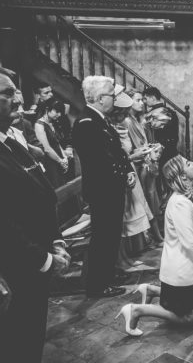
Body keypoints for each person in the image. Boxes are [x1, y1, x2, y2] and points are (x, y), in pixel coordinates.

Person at [0, 69, 71, 362]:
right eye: (8, 93)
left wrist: (56, 240)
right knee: (18, 342)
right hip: (18, 267)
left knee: (31, 337)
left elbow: (43, 192)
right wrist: (43, 259)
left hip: (36, 258)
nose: (18, 99)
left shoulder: (11, 142)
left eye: (16, 91)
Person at [115, 155, 193, 336]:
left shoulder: (187, 196)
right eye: (189, 164)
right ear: (183, 177)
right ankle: (136, 310)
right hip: (181, 268)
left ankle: (150, 290)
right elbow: (189, 242)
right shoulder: (180, 203)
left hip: (189, 265)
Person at [72, 76, 136, 298]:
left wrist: (127, 169)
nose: (115, 98)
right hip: (103, 190)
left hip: (111, 187)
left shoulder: (100, 118)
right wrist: (120, 175)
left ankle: (108, 273)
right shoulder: (86, 122)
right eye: (112, 94)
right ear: (100, 98)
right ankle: (98, 284)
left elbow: (116, 150)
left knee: (111, 234)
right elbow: (100, 161)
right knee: (103, 236)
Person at [108, 87, 161, 270]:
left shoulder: (124, 124)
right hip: (121, 172)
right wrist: (133, 157)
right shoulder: (117, 126)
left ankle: (127, 255)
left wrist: (135, 155)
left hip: (128, 170)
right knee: (125, 215)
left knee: (138, 208)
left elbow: (125, 152)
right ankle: (121, 258)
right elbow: (115, 156)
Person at [124, 88, 163, 220]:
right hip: (139, 162)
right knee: (146, 196)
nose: (142, 103)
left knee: (151, 194)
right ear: (129, 101)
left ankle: (154, 226)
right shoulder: (128, 121)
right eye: (138, 100)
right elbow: (136, 146)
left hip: (147, 160)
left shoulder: (139, 118)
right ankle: (149, 229)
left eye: (142, 100)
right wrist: (148, 150)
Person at [34, 98, 70, 187]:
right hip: (51, 161)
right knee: (58, 186)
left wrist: (64, 157)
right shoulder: (39, 125)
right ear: (47, 109)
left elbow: (57, 143)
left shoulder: (52, 122)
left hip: (59, 158)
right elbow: (46, 148)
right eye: (57, 111)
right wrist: (60, 161)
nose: (59, 114)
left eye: (61, 112)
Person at [144, 87, 179, 169]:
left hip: (161, 151)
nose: (144, 102)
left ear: (153, 98)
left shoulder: (155, 113)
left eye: (145, 98)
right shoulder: (171, 112)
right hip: (170, 149)